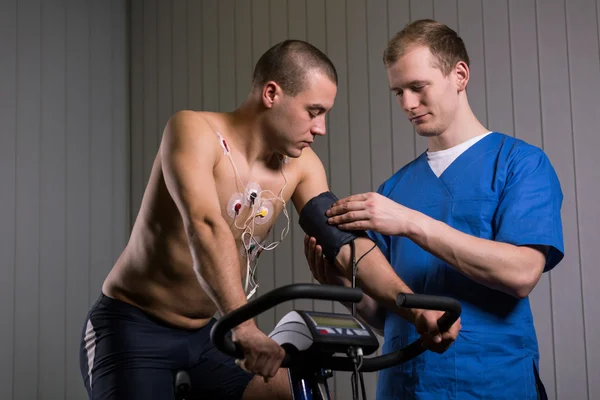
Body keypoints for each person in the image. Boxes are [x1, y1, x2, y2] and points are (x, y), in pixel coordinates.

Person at [79, 39, 459, 400]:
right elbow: (206, 226)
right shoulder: (194, 131)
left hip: (208, 334)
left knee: (288, 391)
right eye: (314, 112)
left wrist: (415, 309)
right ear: (271, 94)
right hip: (134, 326)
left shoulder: (301, 166)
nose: (321, 128)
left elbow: (344, 245)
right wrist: (243, 326)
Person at [305, 19, 564, 399]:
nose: (408, 104)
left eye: (417, 87)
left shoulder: (520, 164)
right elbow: (387, 317)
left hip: (493, 382)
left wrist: (409, 222)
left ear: (459, 75)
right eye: (398, 92)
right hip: (405, 385)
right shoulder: (394, 189)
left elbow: (522, 272)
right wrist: (344, 287)